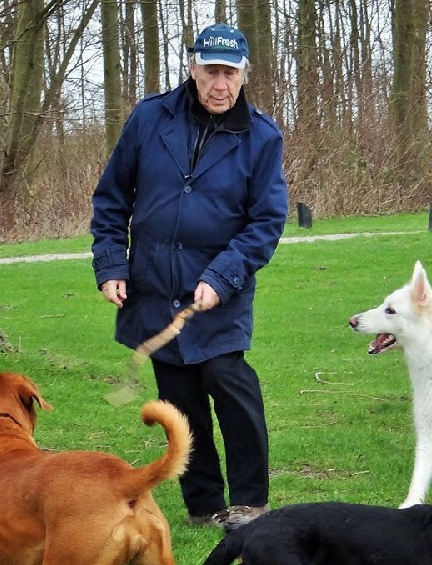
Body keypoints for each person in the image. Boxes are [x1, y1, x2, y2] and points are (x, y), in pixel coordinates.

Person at [90, 23, 288, 532]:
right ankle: (202, 505)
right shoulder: (149, 118)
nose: (219, 84)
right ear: (192, 69)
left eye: (229, 73)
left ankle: (249, 501)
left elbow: (266, 222)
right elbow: (112, 198)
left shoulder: (262, 138)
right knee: (178, 396)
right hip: (155, 286)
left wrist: (223, 276)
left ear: (244, 75)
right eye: (210, 71)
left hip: (218, 292)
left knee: (227, 381)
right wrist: (112, 264)